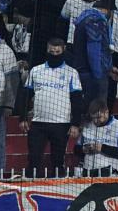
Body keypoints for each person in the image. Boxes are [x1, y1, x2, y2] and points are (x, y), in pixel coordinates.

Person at [21, 36, 81, 172]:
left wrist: (75, 123)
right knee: (33, 160)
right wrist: (22, 117)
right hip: (38, 123)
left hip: (61, 124)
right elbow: (26, 95)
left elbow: (77, 100)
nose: (54, 55)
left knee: (58, 161)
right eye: (51, 52)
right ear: (47, 51)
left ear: (63, 51)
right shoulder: (36, 71)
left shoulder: (72, 73)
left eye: (57, 52)